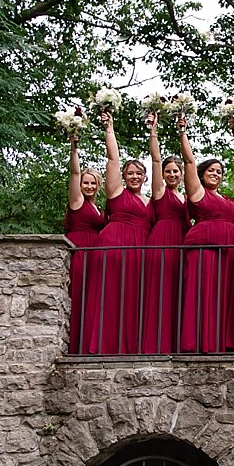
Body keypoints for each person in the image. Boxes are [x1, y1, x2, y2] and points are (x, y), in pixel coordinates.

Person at [178, 119, 234, 354]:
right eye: (211, 171)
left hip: (228, 252)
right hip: (203, 248)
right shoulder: (198, 192)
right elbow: (189, 162)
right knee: (200, 293)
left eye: (219, 172)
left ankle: (218, 342)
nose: (215, 174)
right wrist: (183, 133)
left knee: (222, 295)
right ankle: (195, 342)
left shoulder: (228, 200)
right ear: (202, 174)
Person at [93, 113, 151, 355]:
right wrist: (109, 129)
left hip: (140, 252)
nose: (134, 177)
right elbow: (113, 159)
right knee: (111, 295)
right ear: (124, 177)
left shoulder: (150, 200)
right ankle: (105, 345)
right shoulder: (116, 192)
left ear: (145, 177)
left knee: (134, 299)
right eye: (130, 173)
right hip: (115, 244)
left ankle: (131, 346)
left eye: (139, 173)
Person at [139, 113, 188, 354]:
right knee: (160, 290)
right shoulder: (159, 192)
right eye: (168, 171)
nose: (171, 174)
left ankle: (177, 343)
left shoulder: (187, 196)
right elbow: (155, 160)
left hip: (182, 240)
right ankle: (154, 344)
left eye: (175, 171)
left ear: (181, 174)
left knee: (178, 291)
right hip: (162, 238)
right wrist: (153, 131)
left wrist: (183, 132)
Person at [63, 117, 105, 355]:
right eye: (85, 182)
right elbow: (74, 171)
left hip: (95, 254)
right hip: (80, 250)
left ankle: (90, 342)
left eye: (92, 183)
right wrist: (74, 146)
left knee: (91, 299)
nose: (88, 186)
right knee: (77, 295)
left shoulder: (97, 207)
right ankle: (74, 345)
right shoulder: (77, 201)